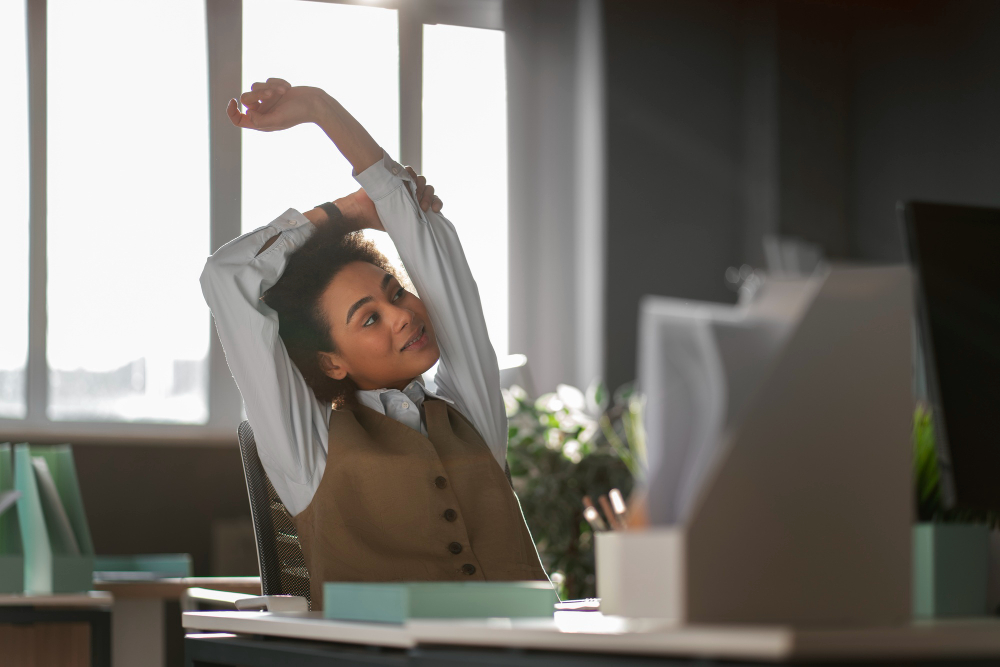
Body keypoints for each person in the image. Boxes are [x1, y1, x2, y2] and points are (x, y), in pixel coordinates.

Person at [201, 78, 548, 609]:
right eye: (369, 320)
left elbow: (432, 247)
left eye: (396, 293)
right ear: (329, 362)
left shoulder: (470, 412)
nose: (403, 316)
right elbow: (228, 278)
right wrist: (344, 213)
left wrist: (321, 107)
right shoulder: (306, 447)